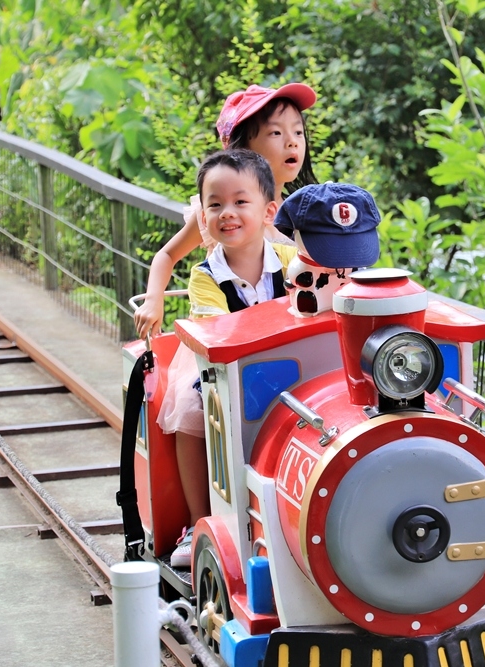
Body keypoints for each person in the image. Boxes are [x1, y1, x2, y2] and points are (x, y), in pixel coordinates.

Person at [163, 148, 297, 567]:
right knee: (192, 408)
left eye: (241, 202)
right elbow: (221, 332)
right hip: (222, 365)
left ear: (269, 211)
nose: (228, 213)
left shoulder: (293, 261)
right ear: (202, 217)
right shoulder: (205, 276)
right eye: (215, 204)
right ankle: (197, 518)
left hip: (288, 361)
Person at [133, 82, 318, 340]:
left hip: (287, 337)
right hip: (224, 333)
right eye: (276, 133)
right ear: (242, 151)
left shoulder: (305, 212)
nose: (292, 143)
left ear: (269, 212)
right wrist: (154, 300)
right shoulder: (216, 214)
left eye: (298, 132)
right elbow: (167, 254)